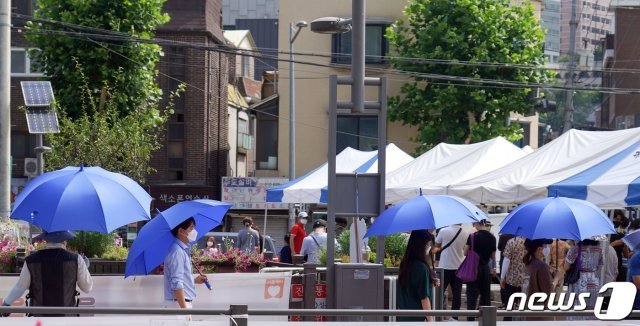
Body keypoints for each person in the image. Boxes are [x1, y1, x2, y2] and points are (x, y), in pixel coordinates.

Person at [1, 231, 92, 316]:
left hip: (39, 318)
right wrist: (85, 267)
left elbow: (20, 287)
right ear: (65, 240)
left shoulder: (31, 260)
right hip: (67, 318)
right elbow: (87, 288)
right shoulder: (76, 260)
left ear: (45, 238)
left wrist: (6, 304)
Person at [164, 217, 208, 309]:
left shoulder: (182, 250)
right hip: (179, 305)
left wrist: (194, 280)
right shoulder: (177, 251)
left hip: (181, 303)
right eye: (191, 228)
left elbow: (180, 278)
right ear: (180, 231)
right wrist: (184, 310)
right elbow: (176, 282)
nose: (194, 231)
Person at [397, 230, 440, 322]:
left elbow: (412, 286)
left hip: (404, 316)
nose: (429, 247)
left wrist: (430, 281)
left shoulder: (405, 263)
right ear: (420, 246)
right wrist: (431, 321)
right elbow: (424, 298)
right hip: (417, 318)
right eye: (427, 244)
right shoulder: (421, 267)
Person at [432, 223, 467, 319]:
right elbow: (464, 248)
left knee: (439, 292)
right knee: (457, 293)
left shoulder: (443, 230)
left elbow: (437, 245)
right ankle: (455, 317)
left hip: (445, 266)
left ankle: (437, 314)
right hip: (458, 266)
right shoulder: (465, 233)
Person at [563, 238, 603, 320]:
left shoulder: (575, 248)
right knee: (591, 309)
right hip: (594, 282)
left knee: (578, 308)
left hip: (579, 281)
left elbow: (566, 267)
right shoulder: (599, 248)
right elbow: (601, 263)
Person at [464, 219, 496, 319]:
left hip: (473, 268)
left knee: (472, 295)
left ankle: (470, 318)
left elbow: (465, 253)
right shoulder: (492, 237)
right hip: (485, 268)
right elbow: (493, 256)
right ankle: (486, 319)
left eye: (474, 224)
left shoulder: (472, 236)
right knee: (485, 295)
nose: (474, 226)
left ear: (478, 224)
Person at [524, 239, 554, 321]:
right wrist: (556, 279)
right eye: (545, 246)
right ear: (539, 249)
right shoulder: (541, 266)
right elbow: (548, 290)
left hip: (528, 312)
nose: (547, 248)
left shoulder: (528, 263)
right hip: (540, 315)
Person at [500, 236, 526, 321]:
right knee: (523, 307)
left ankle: (507, 322)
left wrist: (502, 277)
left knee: (509, 306)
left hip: (512, 279)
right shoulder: (529, 242)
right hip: (525, 280)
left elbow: (506, 260)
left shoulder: (511, 242)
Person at [610, 210, 629, 281]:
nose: (617, 221)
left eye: (619, 220)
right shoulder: (603, 235)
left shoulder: (621, 235)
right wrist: (613, 244)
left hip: (618, 267)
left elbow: (627, 255)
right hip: (606, 267)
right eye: (616, 219)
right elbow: (602, 252)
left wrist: (625, 245)